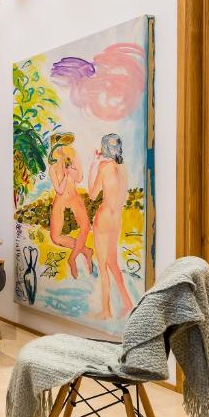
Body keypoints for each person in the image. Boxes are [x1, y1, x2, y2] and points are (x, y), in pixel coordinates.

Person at [88, 133, 134, 319]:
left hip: (104, 218)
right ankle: (128, 303)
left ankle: (106, 310)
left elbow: (92, 194)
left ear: (104, 148)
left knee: (103, 265)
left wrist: (93, 164)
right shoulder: (122, 169)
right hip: (116, 219)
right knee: (113, 263)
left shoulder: (104, 166)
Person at [47, 134, 94, 279]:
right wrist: (66, 176)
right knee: (55, 237)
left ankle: (72, 258)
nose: (61, 150)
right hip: (61, 199)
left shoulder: (73, 158)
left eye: (63, 146)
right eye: (58, 146)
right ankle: (86, 251)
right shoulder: (52, 168)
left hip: (73, 196)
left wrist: (72, 170)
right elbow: (60, 190)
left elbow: (79, 178)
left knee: (85, 227)